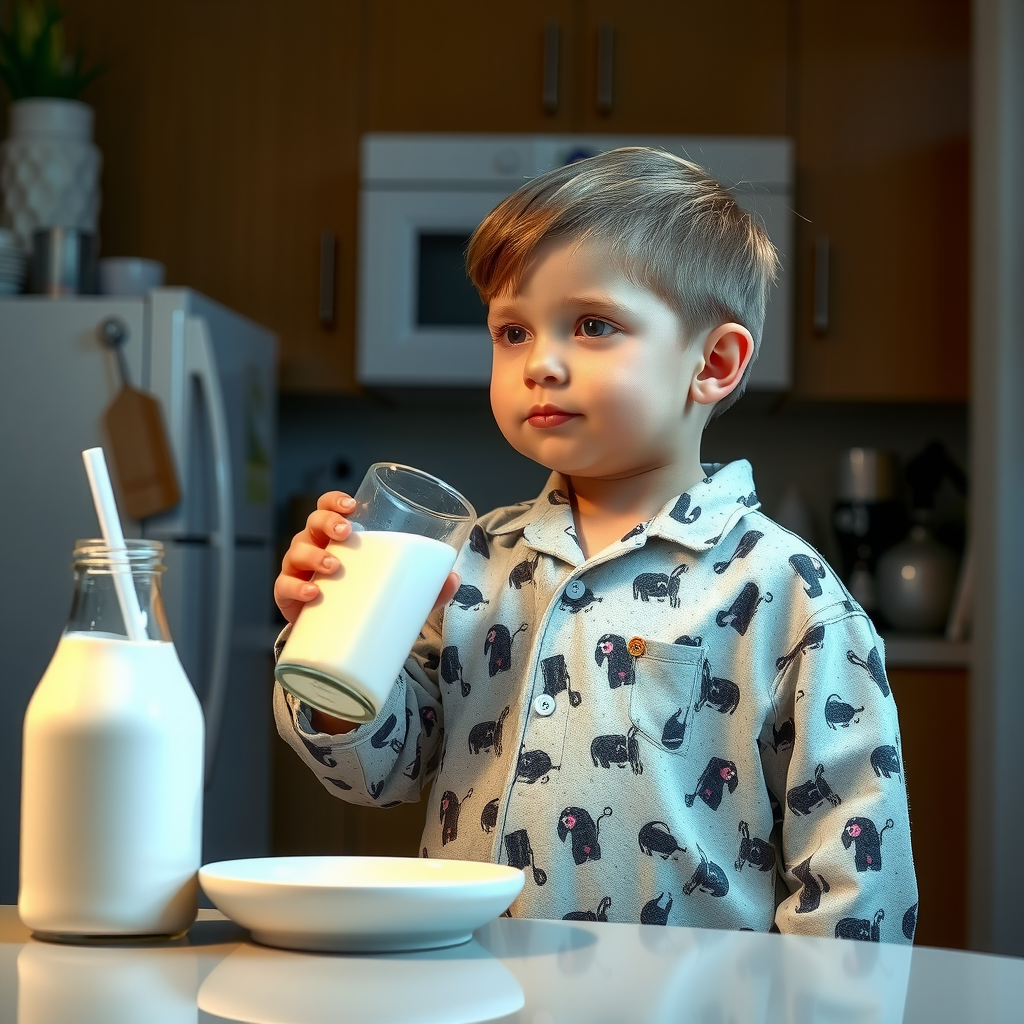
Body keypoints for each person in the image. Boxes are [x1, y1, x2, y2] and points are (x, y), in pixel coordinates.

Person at [272, 147, 919, 941]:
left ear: (713, 363)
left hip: (692, 999)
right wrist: (334, 642)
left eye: (592, 325)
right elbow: (379, 772)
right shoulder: (469, 561)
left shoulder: (787, 592)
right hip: (477, 987)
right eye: (512, 332)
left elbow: (857, 879)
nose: (540, 363)